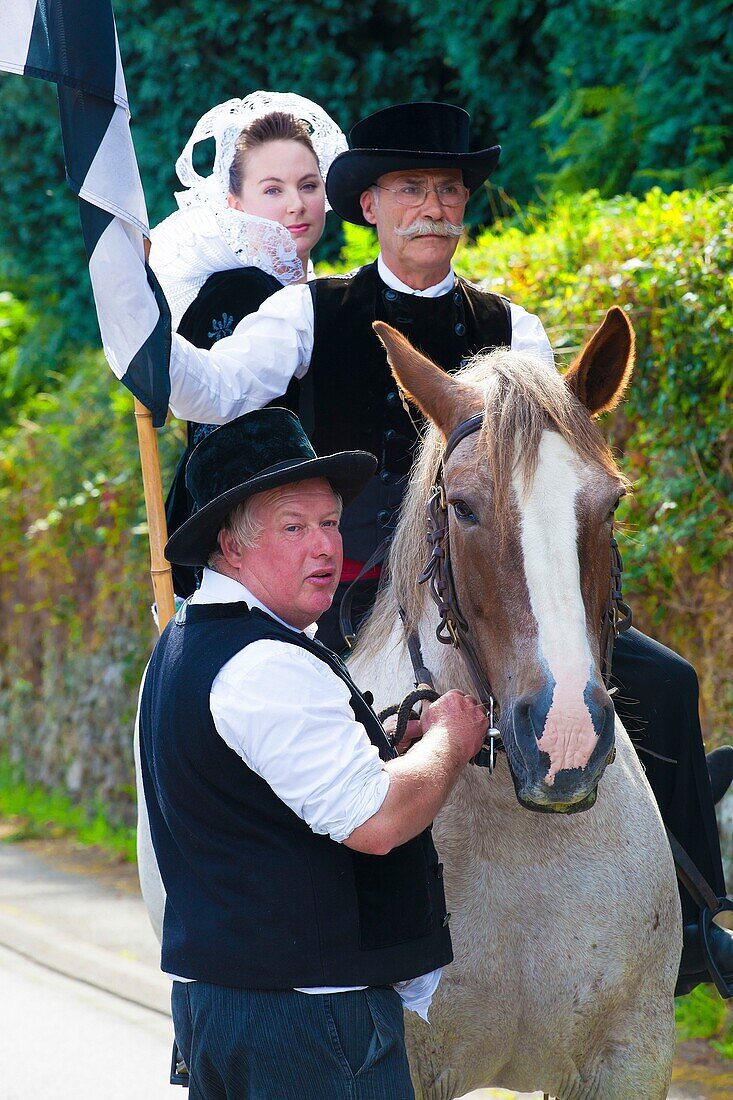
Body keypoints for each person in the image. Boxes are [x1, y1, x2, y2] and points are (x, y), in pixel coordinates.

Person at [161, 99, 733, 993]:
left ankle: (694, 927)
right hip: (347, 589)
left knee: (666, 680)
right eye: (410, 189)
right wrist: (144, 339)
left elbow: (552, 477)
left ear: (464, 209)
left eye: (448, 191)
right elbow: (208, 389)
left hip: (500, 585)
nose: (431, 206)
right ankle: (276, 964)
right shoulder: (309, 314)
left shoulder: (516, 329)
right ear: (370, 208)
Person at [136, 407, 488, 1099]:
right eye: (294, 528)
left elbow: (268, 793)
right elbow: (377, 821)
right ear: (229, 549)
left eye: (329, 523)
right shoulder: (265, 663)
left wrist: (391, 753)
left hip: (234, 1008)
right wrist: (450, 738)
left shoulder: (186, 644)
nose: (325, 547)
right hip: (308, 1025)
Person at [150, 92, 346, 595]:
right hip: (246, 547)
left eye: (308, 185)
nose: (296, 205)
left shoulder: (331, 294)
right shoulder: (234, 292)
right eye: (273, 189)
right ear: (235, 203)